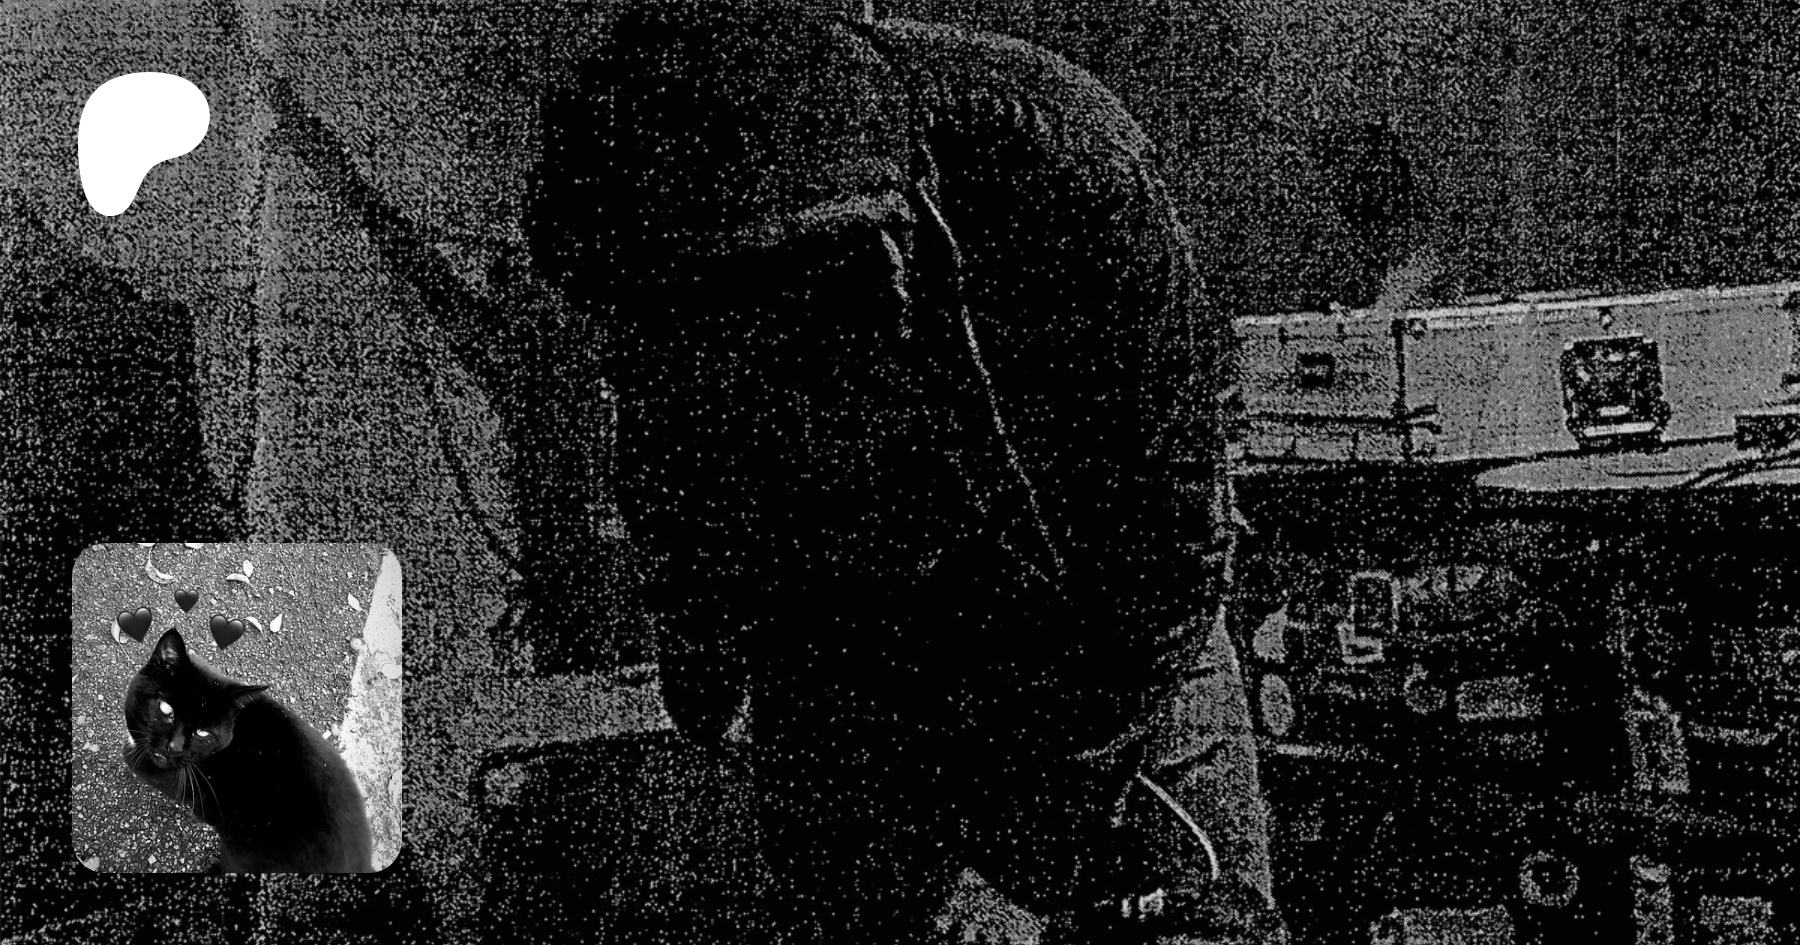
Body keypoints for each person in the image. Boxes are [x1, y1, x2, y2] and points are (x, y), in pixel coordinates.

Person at [528, 2, 1283, 940]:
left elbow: (1167, 553)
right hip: (843, 643)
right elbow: (669, 472)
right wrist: (709, 654)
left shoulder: (1073, 171)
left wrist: (1033, 855)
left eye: (819, 317)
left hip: (1093, 633)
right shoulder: (650, 209)